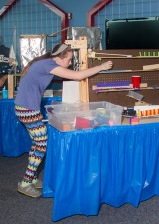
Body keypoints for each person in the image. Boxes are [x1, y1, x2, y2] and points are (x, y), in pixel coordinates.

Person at [15, 43, 113, 198]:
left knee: (37, 143)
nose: (69, 63)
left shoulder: (46, 63)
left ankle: (32, 178)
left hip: (25, 107)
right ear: (59, 59)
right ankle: (25, 182)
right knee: (41, 144)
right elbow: (78, 76)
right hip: (28, 109)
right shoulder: (49, 65)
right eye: (69, 60)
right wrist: (100, 67)